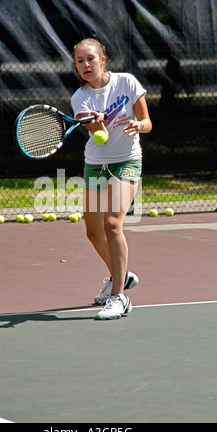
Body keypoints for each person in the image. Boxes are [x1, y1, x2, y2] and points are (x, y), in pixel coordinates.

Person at [71, 38, 152, 320]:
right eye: (80, 61)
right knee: (93, 232)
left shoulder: (127, 82)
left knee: (111, 223)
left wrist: (137, 125)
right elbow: (97, 134)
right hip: (95, 165)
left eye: (90, 59)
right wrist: (96, 121)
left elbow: (147, 122)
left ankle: (119, 297)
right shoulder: (80, 98)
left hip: (127, 161)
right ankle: (120, 275)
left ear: (102, 59)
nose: (85, 65)